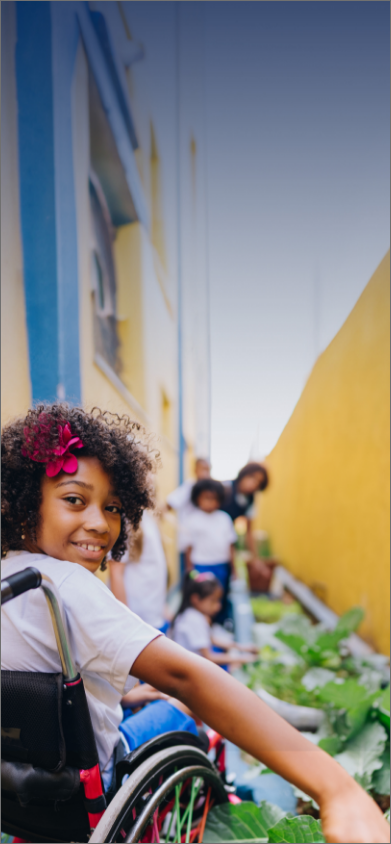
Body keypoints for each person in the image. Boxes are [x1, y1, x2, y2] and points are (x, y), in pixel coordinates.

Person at [1, 404, 389, 844]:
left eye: (112, 507)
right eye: (75, 499)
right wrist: (337, 788)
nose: (100, 523)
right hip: (94, 794)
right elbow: (189, 676)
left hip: (24, 794)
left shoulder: (11, 582)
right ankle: (216, 802)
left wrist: (129, 690)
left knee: (148, 692)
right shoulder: (66, 585)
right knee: (185, 707)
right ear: (22, 501)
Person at [171, 570, 257, 667]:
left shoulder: (195, 614)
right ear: (196, 599)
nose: (218, 606)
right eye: (213, 601)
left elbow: (211, 639)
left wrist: (243, 648)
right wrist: (244, 659)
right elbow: (209, 657)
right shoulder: (194, 619)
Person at [183, 478, 238, 626]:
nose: (210, 502)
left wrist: (234, 570)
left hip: (221, 565)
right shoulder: (192, 520)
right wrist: (190, 569)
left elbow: (231, 546)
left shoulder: (224, 519)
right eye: (206, 498)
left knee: (219, 597)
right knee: (203, 599)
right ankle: (203, 627)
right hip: (201, 566)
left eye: (214, 499)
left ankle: (219, 625)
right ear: (197, 498)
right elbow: (189, 547)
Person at [108, 508, 168, 630]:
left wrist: (162, 605)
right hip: (135, 618)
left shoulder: (147, 514)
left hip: (153, 612)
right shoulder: (125, 520)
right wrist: (125, 621)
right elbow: (115, 573)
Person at [221, 462, 270, 577]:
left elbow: (249, 531)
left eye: (259, 483)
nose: (254, 484)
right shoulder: (225, 488)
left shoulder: (250, 500)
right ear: (244, 474)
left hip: (227, 540)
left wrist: (255, 559)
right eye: (252, 478)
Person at [166, 457, 211, 574]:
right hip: (189, 542)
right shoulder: (189, 487)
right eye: (203, 469)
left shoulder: (209, 488)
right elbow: (170, 503)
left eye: (208, 470)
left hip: (204, 542)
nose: (205, 473)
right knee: (189, 575)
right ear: (195, 470)